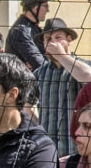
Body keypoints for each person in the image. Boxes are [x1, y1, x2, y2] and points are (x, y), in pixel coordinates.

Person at [31, 20, 81, 152]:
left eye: (58, 38)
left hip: (76, 152)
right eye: (48, 39)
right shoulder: (39, 74)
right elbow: (27, 106)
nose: (52, 43)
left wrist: (62, 57)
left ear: (69, 40)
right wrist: (40, 127)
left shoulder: (83, 67)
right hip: (47, 154)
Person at [6, 0, 57, 68]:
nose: (48, 10)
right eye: (46, 6)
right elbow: (40, 64)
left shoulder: (33, 27)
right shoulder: (21, 31)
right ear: (36, 8)